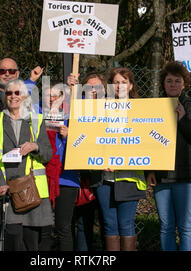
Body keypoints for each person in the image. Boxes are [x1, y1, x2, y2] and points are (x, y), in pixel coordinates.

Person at [0, 58, 43, 251]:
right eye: (2, 70)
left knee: (20, 227)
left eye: (11, 71)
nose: (6, 73)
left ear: (17, 73)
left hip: (21, 172)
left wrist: (32, 81)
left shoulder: (27, 95)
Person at [146, 61, 191, 251]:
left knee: (185, 226)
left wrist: (183, 120)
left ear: (184, 84)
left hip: (186, 176)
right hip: (162, 175)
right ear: (163, 84)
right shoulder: (155, 106)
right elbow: (146, 142)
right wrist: (149, 171)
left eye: (177, 81)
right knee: (166, 226)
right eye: (169, 81)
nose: (173, 84)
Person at [0, 79, 53, 251]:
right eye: (9, 93)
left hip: (31, 191)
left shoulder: (36, 120)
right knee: (12, 240)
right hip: (7, 189)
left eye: (17, 93)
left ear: (25, 96)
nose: (13, 96)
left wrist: (35, 146)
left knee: (31, 242)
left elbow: (47, 153)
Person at [93, 67, 147, 251]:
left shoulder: (143, 110)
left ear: (131, 86)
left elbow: (147, 143)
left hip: (129, 177)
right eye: (116, 82)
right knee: (109, 224)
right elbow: (93, 138)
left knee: (126, 224)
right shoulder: (100, 108)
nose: (119, 86)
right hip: (104, 178)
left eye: (124, 82)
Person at [67, 71, 107, 251]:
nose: (93, 90)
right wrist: (69, 89)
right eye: (89, 87)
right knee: (83, 222)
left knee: (108, 222)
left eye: (97, 86)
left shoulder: (115, 109)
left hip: (107, 175)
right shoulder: (75, 108)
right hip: (83, 173)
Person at [41, 80, 79, 251]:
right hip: (43, 178)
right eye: (48, 95)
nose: (52, 99)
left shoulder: (73, 118)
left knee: (63, 227)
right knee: (44, 227)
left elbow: (88, 144)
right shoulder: (37, 116)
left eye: (56, 95)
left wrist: (70, 136)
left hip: (67, 178)